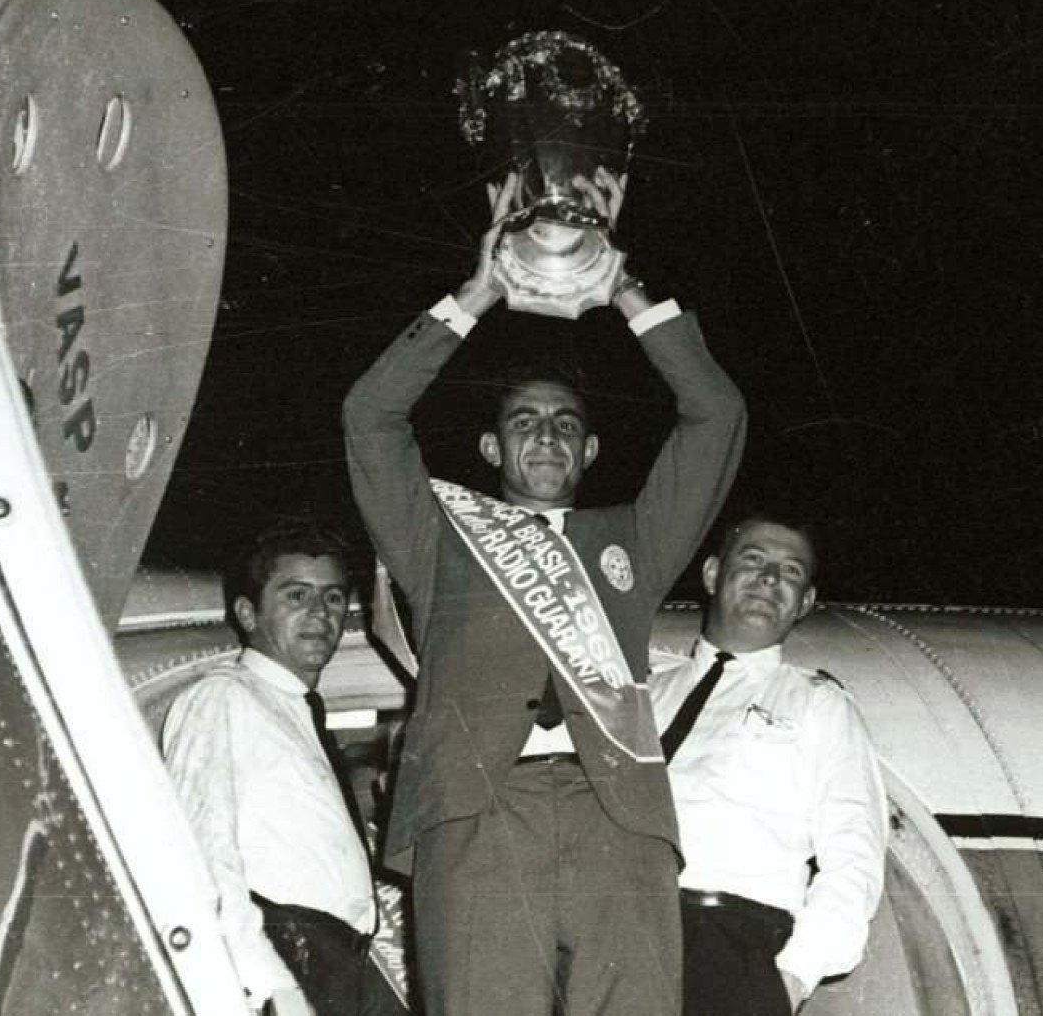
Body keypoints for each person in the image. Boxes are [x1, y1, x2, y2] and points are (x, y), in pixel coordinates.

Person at [342, 167, 746, 1016]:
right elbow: (370, 417)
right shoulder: (442, 539)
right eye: (524, 421)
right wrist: (479, 292)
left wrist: (620, 288)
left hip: (620, 821)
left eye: (566, 423)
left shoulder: (632, 538)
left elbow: (716, 412)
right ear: (490, 450)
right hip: (478, 815)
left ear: (591, 450)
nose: (547, 435)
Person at [651, 516, 888, 1015]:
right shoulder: (643, 690)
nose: (770, 579)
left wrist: (790, 980)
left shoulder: (821, 706)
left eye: (791, 571)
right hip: (610, 934)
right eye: (753, 560)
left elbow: (854, 856)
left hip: (730, 949)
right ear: (713, 574)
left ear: (805, 602)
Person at [161, 520, 379, 1016]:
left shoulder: (297, 711)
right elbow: (200, 850)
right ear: (248, 613)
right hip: (286, 960)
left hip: (335, 964)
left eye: (332, 597)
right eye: (296, 596)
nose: (320, 614)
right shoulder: (224, 697)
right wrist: (267, 984)